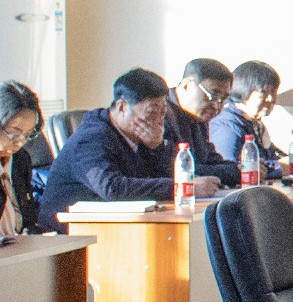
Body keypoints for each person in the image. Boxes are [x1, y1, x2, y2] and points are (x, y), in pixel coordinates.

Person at [42, 68, 223, 224]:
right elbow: (112, 188)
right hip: (70, 231)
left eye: (163, 113)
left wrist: (157, 149)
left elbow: (162, 177)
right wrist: (182, 187)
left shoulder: (141, 134)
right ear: (122, 107)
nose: (159, 121)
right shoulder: (91, 138)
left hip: (120, 223)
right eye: (152, 113)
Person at [163, 57, 239, 187]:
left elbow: (209, 159)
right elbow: (177, 169)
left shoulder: (199, 114)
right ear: (186, 85)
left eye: (223, 99)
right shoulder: (162, 112)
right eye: (212, 96)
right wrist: (233, 171)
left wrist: (241, 167)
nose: (216, 106)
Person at [208, 60, 284, 179]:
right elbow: (231, 170)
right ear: (243, 91)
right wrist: (280, 167)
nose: (270, 99)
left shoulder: (255, 124)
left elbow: (271, 157)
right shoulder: (227, 126)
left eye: (273, 92)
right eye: (263, 92)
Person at [1, 79, 43, 236]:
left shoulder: (20, 159)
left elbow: (28, 218)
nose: (19, 142)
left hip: (18, 245)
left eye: (27, 135)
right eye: (14, 133)